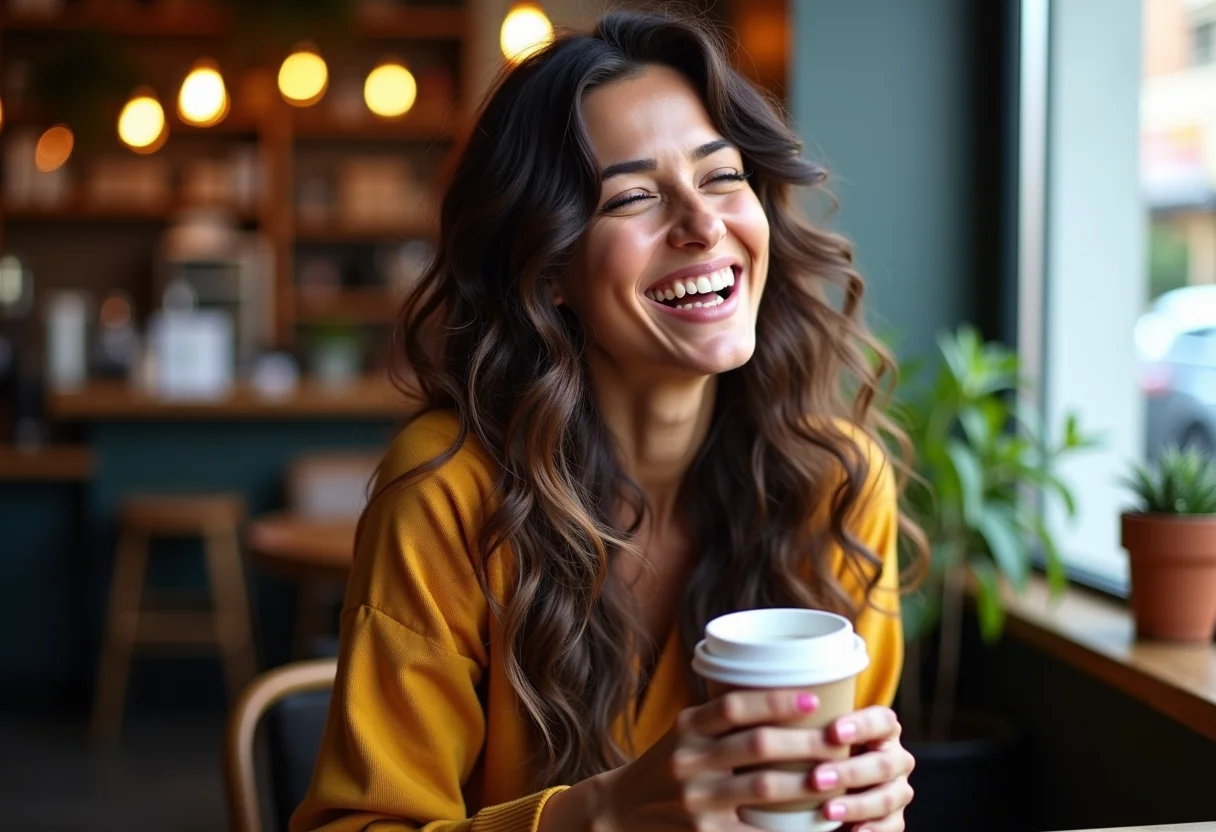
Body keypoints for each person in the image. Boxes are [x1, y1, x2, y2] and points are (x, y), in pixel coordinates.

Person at [292, 9, 925, 832]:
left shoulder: (834, 484)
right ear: (548, 266)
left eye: (722, 176)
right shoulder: (449, 494)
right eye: (632, 196)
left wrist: (862, 814)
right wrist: (603, 814)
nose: (703, 225)